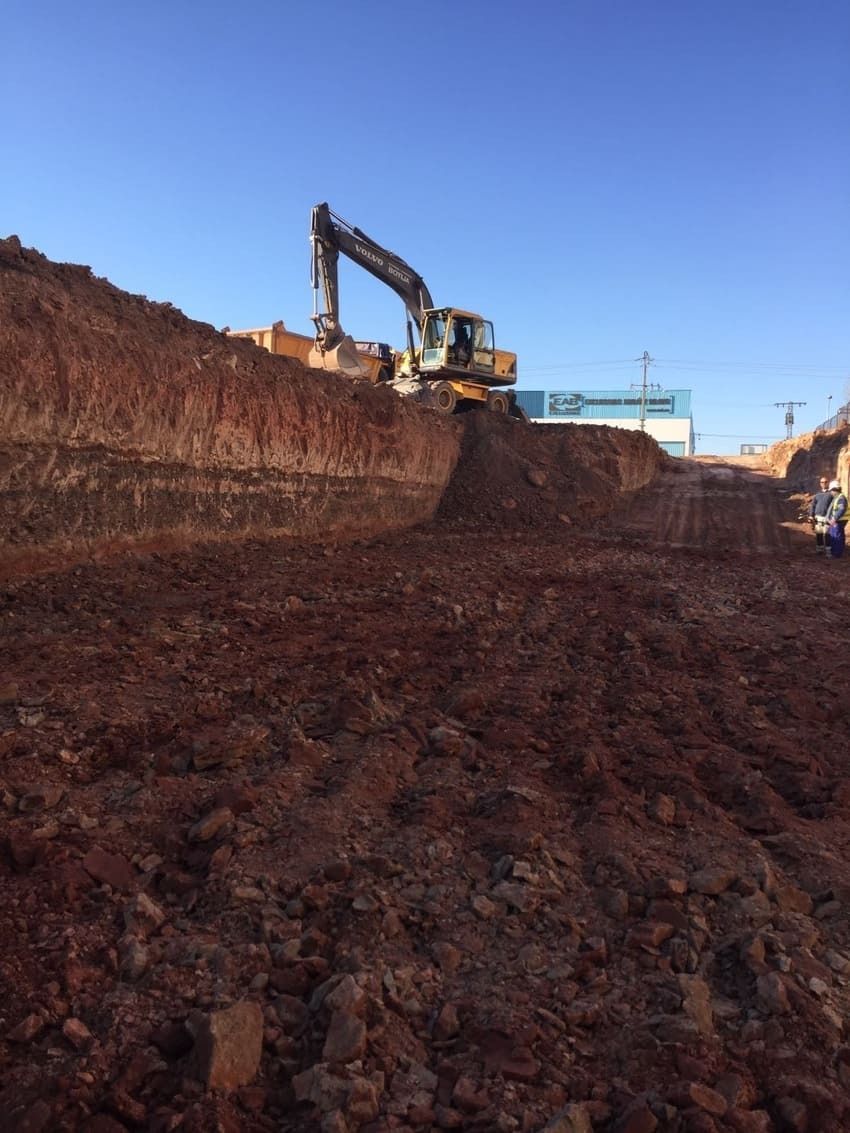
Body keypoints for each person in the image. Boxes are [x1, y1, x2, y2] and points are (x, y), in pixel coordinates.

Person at [809, 476, 834, 554]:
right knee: (819, 534)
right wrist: (811, 515)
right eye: (822, 482)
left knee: (827, 534)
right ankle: (819, 549)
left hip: (827, 518)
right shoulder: (817, 494)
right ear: (820, 484)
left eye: (825, 482)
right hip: (818, 518)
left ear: (828, 483)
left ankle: (828, 551)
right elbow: (813, 505)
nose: (824, 483)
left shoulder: (831, 494)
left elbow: (833, 506)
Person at [826, 479, 848, 559]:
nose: (831, 492)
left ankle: (836, 554)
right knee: (835, 535)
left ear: (835, 490)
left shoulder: (841, 498)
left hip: (839, 520)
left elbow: (841, 509)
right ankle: (835, 552)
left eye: (831, 490)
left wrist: (834, 519)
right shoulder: (838, 497)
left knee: (836, 536)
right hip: (838, 520)